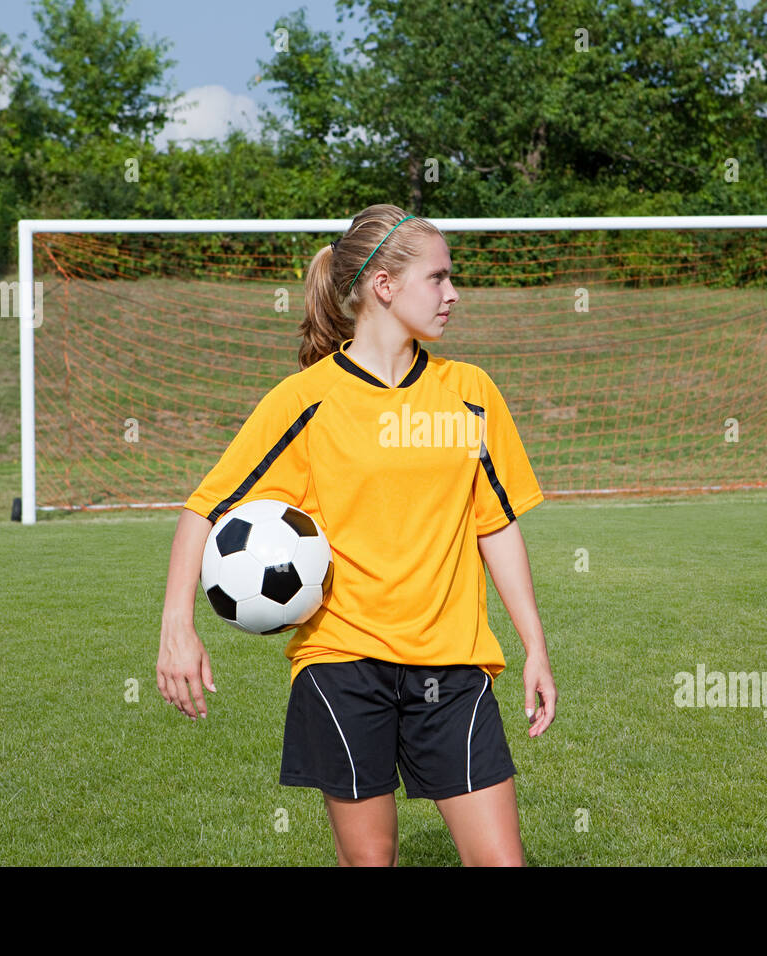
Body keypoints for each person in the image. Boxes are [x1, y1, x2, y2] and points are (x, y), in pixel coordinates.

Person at [157, 203, 556, 866]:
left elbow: (496, 526)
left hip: (452, 664)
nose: (453, 294)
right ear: (384, 286)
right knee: (370, 861)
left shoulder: (471, 392)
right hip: (342, 665)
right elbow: (205, 508)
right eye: (439, 277)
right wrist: (177, 626)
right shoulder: (305, 400)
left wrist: (534, 647)